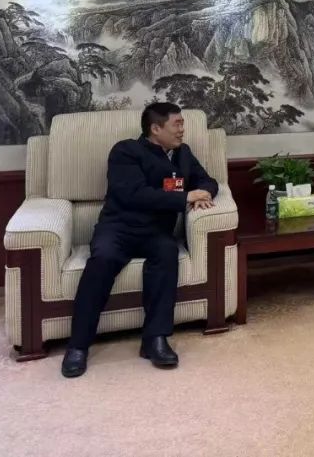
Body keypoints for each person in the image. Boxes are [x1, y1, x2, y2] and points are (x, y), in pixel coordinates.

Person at [61, 102, 218, 378]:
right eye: (177, 124)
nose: (182, 130)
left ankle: (155, 339)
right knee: (103, 260)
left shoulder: (182, 154)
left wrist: (202, 195)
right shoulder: (126, 151)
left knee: (167, 253)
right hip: (118, 228)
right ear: (155, 129)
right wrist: (185, 197)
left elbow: (208, 181)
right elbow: (134, 195)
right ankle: (78, 346)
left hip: (156, 232)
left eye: (182, 123)